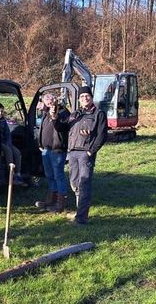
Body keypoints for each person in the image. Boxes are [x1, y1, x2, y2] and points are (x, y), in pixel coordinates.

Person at [53, 85, 107, 224]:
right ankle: (79, 212)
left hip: (85, 154)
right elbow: (61, 128)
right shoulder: (75, 114)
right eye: (82, 97)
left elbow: (102, 135)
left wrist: (91, 150)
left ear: (91, 97)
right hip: (73, 153)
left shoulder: (98, 114)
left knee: (84, 184)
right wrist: (54, 117)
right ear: (79, 99)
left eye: (87, 96)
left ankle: (81, 218)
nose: (84, 98)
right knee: (74, 183)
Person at [34, 93, 71, 213]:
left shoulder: (64, 113)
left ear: (56, 101)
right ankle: (51, 199)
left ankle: (61, 203)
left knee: (58, 176)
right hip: (46, 150)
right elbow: (42, 130)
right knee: (49, 176)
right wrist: (40, 144)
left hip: (57, 150)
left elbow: (62, 128)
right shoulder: (45, 113)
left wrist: (55, 117)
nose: (50, 103)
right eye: (47, 101)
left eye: (51, 101)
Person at [0, 102, 27, 187]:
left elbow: (8, 134)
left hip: (5, 142)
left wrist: (9, 143)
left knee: (17, 152)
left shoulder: (3, 121)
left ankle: (18, 174)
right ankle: (11, 174)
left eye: (2, 112)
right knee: (8, 151)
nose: (0, 113)